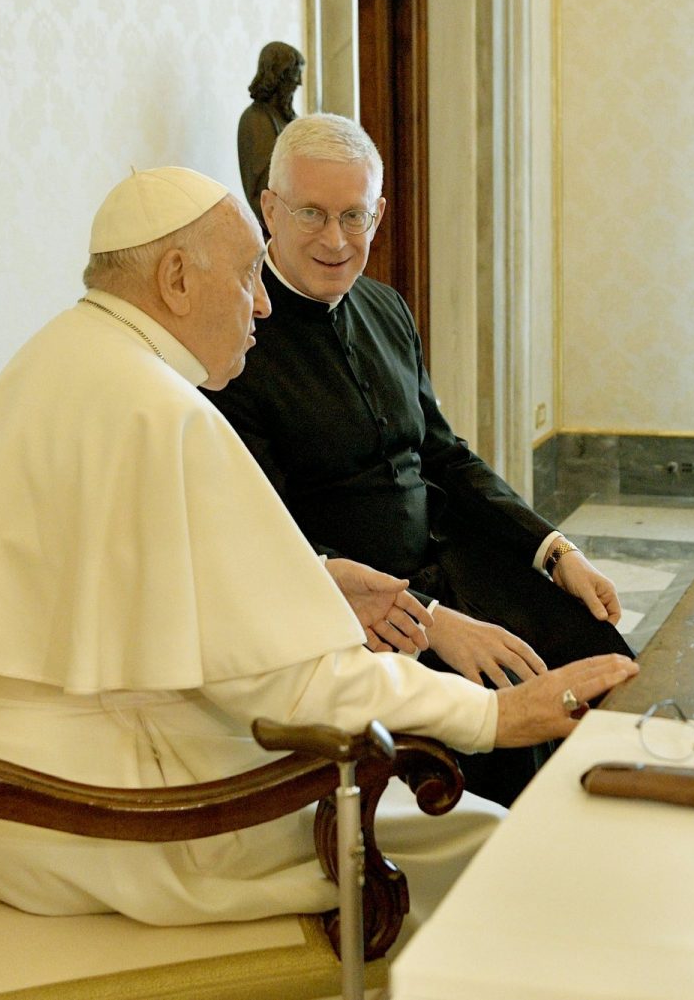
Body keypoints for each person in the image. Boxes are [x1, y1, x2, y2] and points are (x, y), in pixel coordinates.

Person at [0, 166, 637, 930]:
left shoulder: (63, 354)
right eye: (248, 274)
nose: (263, 303)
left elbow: (145, 585)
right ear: (176, 278)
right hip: (89, 818)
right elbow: (297, 688)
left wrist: (313, 580)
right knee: (475, 839)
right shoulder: (163, 411)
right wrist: (493, 714)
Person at [204, 113, 633, 807]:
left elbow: (444, 456)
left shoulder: (386, 307)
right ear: (270, 209)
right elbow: (272, 539)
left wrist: (554, 550)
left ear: (377, 215)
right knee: (511, 712)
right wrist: (432, 618)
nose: (335, 239)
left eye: (353, 216)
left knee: (601, 654)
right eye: (312, 213)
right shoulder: (236, 341)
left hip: (449, 560)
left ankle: (624, 832)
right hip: (362, 612)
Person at [238, 41, 304, 230]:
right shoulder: (256, 119)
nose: (299, 82)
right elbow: (262, 186)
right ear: (278, 75)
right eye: (294, 74)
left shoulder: (290, 119)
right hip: (282, 227)